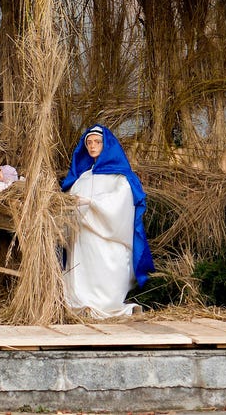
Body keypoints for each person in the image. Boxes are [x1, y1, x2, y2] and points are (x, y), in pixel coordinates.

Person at [60, 125, 155, 318]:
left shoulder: (120, 177)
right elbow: (70, 202)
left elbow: (121, 200)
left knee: (105, 271)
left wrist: (92, 203)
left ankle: (104, 303)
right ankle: (82, 303)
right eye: (89, 142)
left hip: (106, 239)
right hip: (83, 239)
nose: (92, 146)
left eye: (97, 142)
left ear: (106, 144)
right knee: (82, 271)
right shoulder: (82, 178)